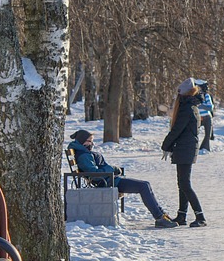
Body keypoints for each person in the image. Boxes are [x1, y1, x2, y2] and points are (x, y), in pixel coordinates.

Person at [68, 129, 178, 228]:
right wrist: (112, 169)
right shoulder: (84, 156)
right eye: (89, 141)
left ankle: (161, 215)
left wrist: (112, 170)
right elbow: (95, 174)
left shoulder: (85, 152)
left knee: (145, 184)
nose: (92, 144)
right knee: (143, 186)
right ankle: (159, 217)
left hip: (109, 179)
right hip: (107, 182)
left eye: (92, 141)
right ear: (82, 141)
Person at [162, 79, 206, 227]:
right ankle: (182, 215)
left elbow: (177, 130)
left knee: (185, 184)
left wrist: (166, 145)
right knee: (182, 184)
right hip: (185, 148)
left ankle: (200, 217)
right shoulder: (190, 106)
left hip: (185, 148)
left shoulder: (187, 108)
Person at [197, 80, 214, 153]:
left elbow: (210, 107)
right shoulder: (194, 96)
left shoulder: (206, 95)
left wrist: (200, 105)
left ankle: (204, 149)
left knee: (208, 135)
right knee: (194, 133)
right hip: (198, 117)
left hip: (207, 117)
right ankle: (194, 147)